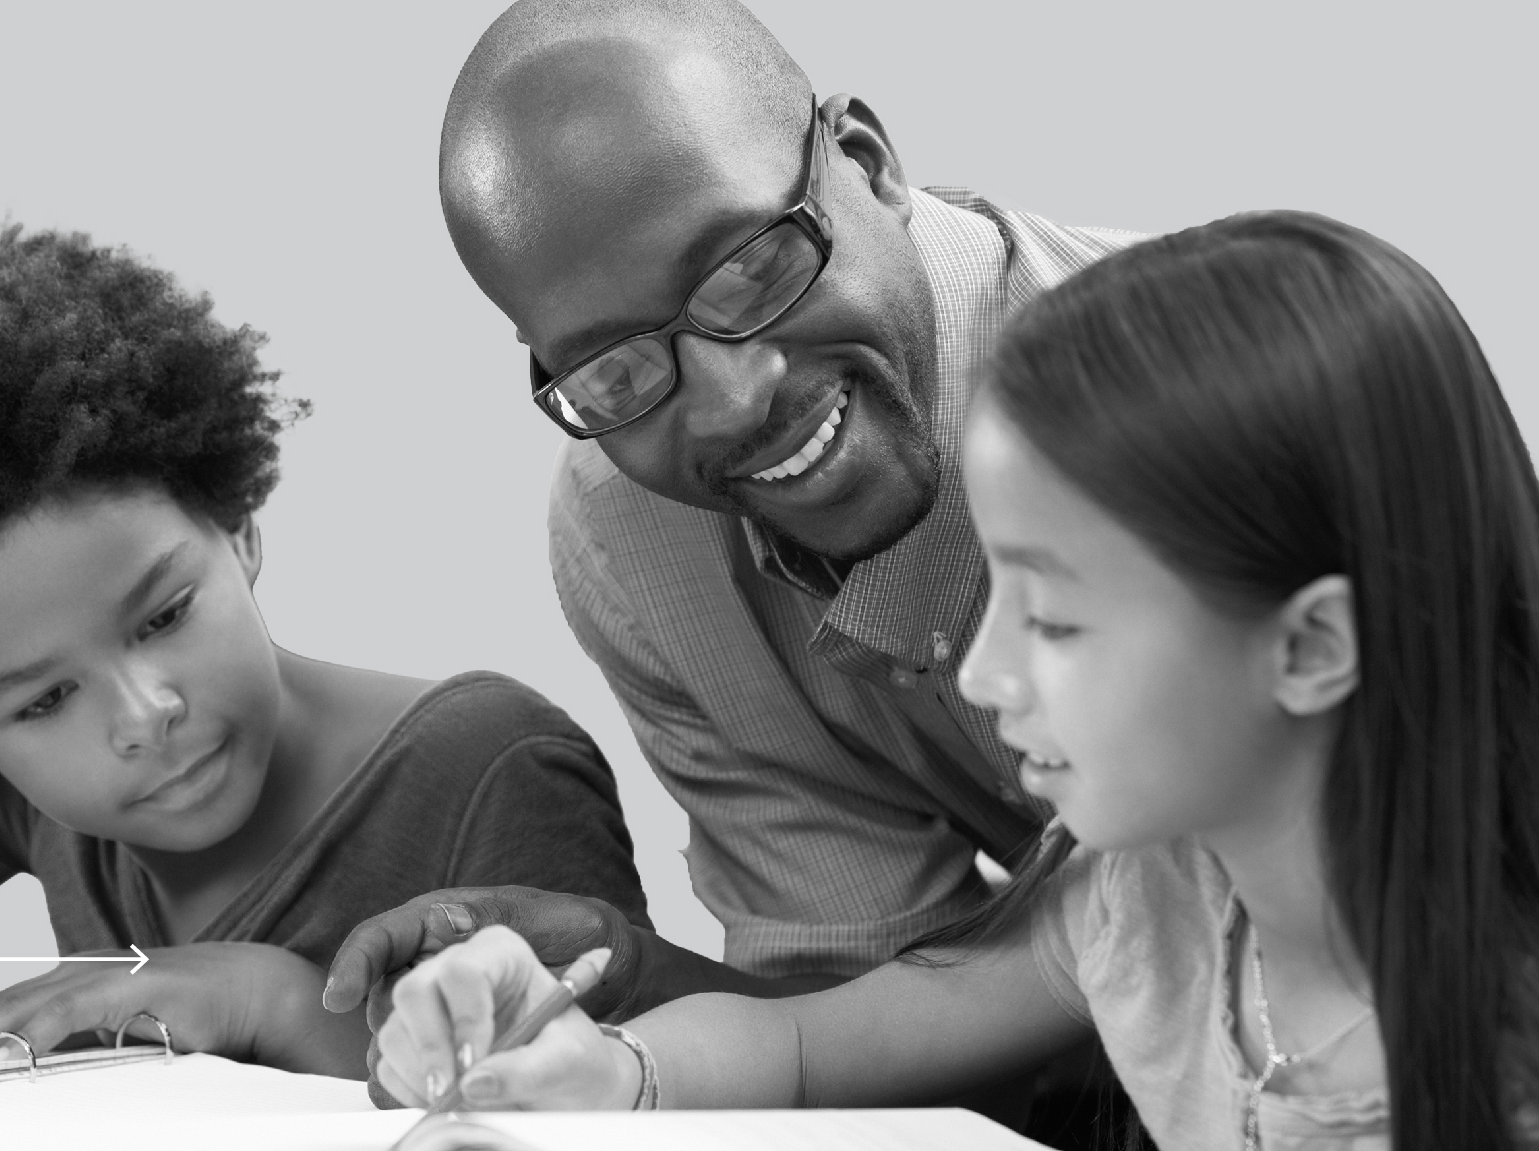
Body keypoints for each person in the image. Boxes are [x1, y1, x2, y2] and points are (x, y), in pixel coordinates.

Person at [372, 212, 1539, 1149]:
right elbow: (810, 1044)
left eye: (1054, 616)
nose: (984, 672)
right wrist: (613, 1075)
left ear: (1312, 645)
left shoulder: (1527, 1075)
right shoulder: (1158, 904)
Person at [0, 227, 650, 1080]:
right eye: (42, 701)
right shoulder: (2, 795)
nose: (144, 711)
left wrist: (264, 998)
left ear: (239, 526)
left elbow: (616, 1098)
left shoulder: (485, 765)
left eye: (163, 614)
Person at [326, 0, 1140, 1048]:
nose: (730, 400)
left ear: (868, 162)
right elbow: (908, 1041)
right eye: (615, 367)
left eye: (750, 269)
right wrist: (627, 974)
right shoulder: (634, 543)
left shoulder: (1225, 391)